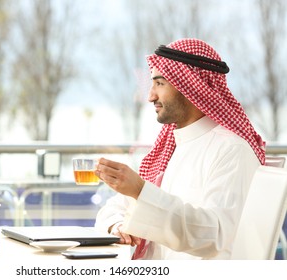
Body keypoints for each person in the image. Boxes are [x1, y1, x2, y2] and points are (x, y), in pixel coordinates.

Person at [94, 38, 265, 260]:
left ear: (192, 86)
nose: (150, 96)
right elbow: (112, 209)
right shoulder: (171, 145)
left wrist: (140, 191)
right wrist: (117, 226)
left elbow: (215, 235)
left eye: (160, 83)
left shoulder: (232, 150)